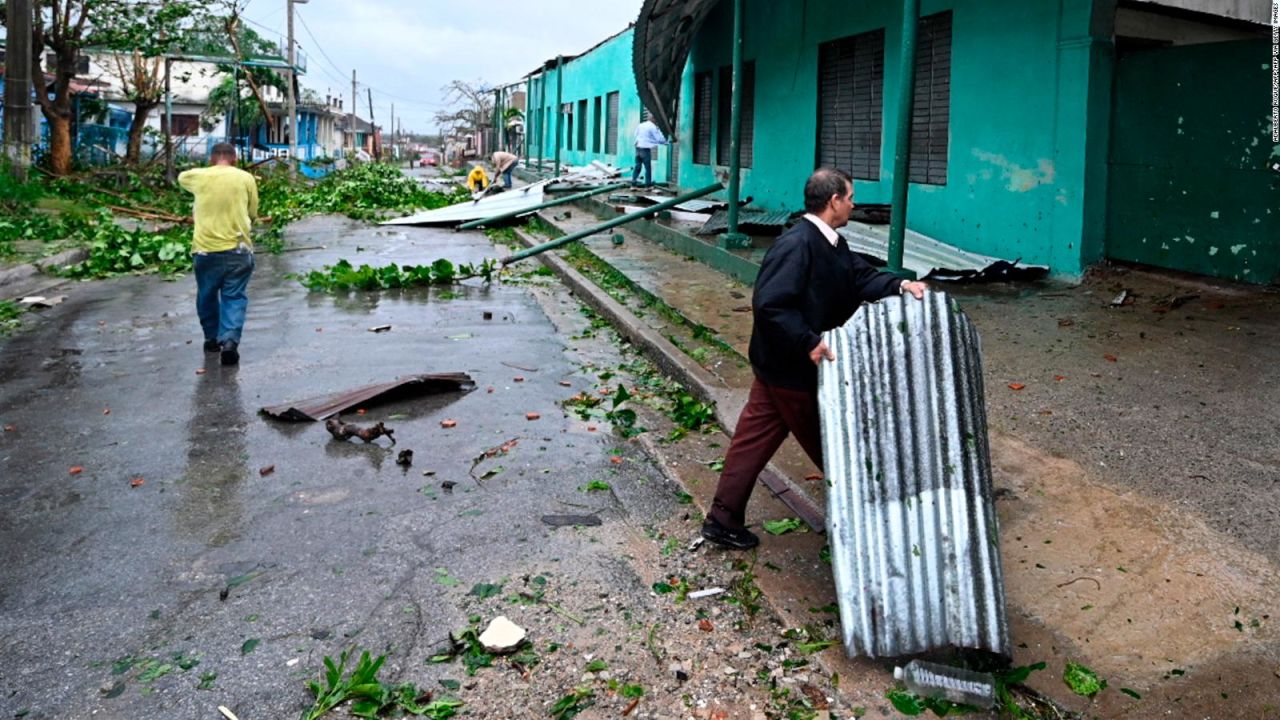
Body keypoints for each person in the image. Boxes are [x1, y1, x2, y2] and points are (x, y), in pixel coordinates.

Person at [701, 168, 928, 550]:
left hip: (779, 368)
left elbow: (858, 276)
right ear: (834, 200)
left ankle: (722, 519)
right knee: (834, 446)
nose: (854, 204)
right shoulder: (797, 244)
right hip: (793, 371)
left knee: (752, 442)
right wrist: (808, 341)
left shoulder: (830, 242)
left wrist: (899, 284)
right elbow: (770, 304)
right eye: (850, 197)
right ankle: (874, 521)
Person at [178, 143, 259, 367]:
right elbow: (253, 213)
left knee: (207, 294)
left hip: (205, 250)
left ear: (211, 159)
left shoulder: (199, 177)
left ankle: (211, 338)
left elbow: (182, 177)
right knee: (234, 295)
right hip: (238, 249)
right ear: (234, 158)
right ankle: (230, 341)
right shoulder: (245, 178)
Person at [632, 112, 668, 187]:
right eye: (656, 119)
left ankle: (633, 185)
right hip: (645, 149)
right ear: (653, 118)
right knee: (648, 168)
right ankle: (648, 186)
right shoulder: (652, 127)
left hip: (638, 147)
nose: (657, 121)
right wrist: (666, 141)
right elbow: (659, 139)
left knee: (637, 166)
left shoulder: (641, 125)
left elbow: (635, 134)